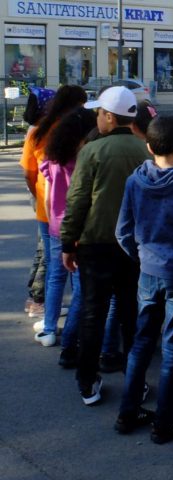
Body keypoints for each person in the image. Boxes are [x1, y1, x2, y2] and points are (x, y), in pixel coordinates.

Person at [115, 115, 173, 444]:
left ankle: (129, 412)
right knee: (172, 349)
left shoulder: (134, 181)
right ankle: (165, 422)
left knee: (142, 342)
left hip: (149, 270)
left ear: (148, 145)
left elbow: (122, 232)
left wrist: (141, 256)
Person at [61, 86, 151, 406]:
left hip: (94, 244)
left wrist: (67, 242)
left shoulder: (92, 152)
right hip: (133, 248)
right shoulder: (145, 152)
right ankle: (136, 381)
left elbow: (78, 201)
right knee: (130, 314)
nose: (97, 117)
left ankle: (87, 382)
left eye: (99, 112)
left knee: (92, 313)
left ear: (110, 118)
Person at [20, 85, 86, 326]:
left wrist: (36, 194)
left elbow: (29, 171)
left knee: (52, 266)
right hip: (71, 215)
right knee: (74, 273)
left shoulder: (38, 132)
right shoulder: (72, 131)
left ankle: (48, 318)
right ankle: (67, 323)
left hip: (46, 208)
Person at [38, 107, 98, 365]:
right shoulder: (84, 160)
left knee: (55, 277)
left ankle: (50, 329)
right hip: (78, 228)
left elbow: (49, 193)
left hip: (55, 227)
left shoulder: (52, 158)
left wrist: (53, 222)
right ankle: (73, 336)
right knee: (81, 288)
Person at [21, 86, 56, 319]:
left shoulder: (38, 129)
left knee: (43, 249)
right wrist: (37, 193)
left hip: (41, 197)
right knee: (47, 253)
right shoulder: (40, 132)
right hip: (45, 200)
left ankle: (34, 297)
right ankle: (37, 299)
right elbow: (28, 171)